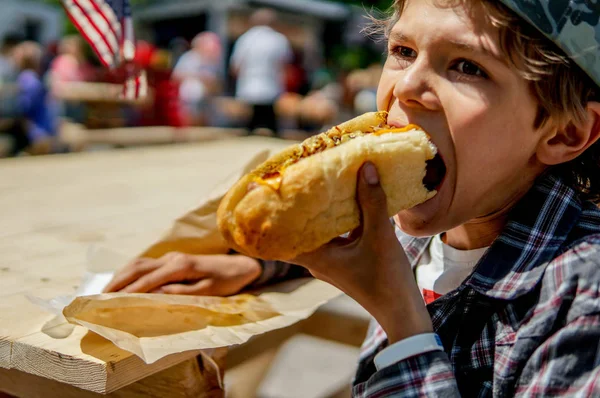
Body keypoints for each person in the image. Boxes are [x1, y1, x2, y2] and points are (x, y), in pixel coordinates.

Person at [105, 0, 600, 395]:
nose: (404, 87)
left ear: (565, 133)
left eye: (467, 66)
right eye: (403, 51)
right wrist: (263, 267)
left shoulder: (581, 304)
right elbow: (376, 245)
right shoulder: (446, 210)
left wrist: (403, 325)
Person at [229, 8, 292, 137]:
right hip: (271, 87)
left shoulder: (245, 39)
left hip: (248, 86)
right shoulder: (279, 39)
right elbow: (285, 65)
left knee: (248, 127)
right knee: (271, 126)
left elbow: (236, 66)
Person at [14, 41, 60, 155]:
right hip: (45, 130)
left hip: (35, 132)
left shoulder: (27, 78)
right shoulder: (34, 78)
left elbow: (24, 108)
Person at [172, 32, 222, 126]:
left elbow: (216, 81)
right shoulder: (189, 58)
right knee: (190, 120)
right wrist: (199, 77)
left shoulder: (211, 62)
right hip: (190, 97)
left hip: (206, 98)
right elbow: (176, 76)